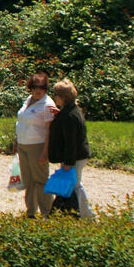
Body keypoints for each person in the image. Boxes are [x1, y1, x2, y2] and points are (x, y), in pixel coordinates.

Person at [14, 72, 57, 217]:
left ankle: (47, 213)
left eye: (42, 87)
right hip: (23, 144)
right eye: (35, 87)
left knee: (41, 180)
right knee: (28, 180)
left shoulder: (47, 105)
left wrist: (45, 152)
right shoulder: (29, 100)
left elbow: (50, 130)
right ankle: (31, 212)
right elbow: (21, 121)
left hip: (37, 145)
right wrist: (16, 140)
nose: (38, 90)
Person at [48, 79, 93, 219]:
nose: (55, 98)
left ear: (62, 97)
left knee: (75, 186)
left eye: (56, 95)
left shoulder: (68, 116)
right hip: (79, 154)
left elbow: (70, 142)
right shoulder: (73, 111)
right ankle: (81, 214)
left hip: (75, 156)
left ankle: (87, 215)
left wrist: (68, 162)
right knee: (75, 185)